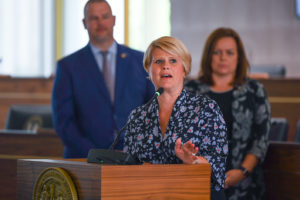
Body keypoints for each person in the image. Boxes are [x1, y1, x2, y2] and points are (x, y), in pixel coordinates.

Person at [123, 36, 228, 200]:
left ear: (184, 69)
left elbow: (218, 169)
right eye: (158, 61)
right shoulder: (137, 116)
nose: (165, 66)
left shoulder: (206, 109)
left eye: (173, 61)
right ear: (148, 68)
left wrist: (192, 161)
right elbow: (127, 169)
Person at [52, 0, 154, 158]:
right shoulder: (68, 66)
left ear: (113, 20)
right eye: (94, 18)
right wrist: (95, 154)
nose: (100, 23)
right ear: (85, 23)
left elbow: (152, 111)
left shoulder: (141, 61)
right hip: (83, 159)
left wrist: (136, 149)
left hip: (134, 159)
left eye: (105, 16)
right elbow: (64, 122)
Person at [185, 27, 271, 200]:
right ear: (208, 56)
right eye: (217, 52)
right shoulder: (190, 91)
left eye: (230, 52)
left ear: (239, 57)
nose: (223, 57)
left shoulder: (254, 90)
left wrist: (243, 171)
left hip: (245, 181)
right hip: (200, 180)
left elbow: (261, 139)